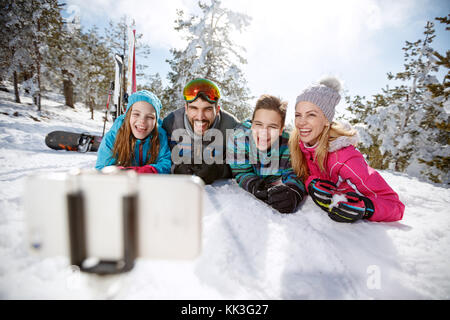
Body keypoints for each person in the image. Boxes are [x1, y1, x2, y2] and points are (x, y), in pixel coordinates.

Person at [289, 77, 405, 222]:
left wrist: (365, 207)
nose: (301, 122)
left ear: (326, 120)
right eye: (298, 115)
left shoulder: (344, 157)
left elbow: (395, 205)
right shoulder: (297, 144)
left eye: (311, 115)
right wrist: (311, 183)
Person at [227, 94, 306, 214]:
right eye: (258, 124)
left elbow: (295, 173)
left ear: (281, 130)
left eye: (272, 127)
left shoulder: (288, 145)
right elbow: (241, 171)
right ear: (252, 124)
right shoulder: (239, 137)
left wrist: (293, 192)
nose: (264, 132)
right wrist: (254, 185)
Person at [162, 78, 239, 184]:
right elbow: (159, 156)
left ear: (217, 110)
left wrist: (219, 170)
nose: (200, 117)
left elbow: (243, 165)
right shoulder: (171, 123)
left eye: (207, 109)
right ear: (186, 108)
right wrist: (175, 167)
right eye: (194, 108)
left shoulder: (231, 126)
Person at [95, 90, 171, 174]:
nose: (142, 121)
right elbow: (102, 169)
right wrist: (120, 172)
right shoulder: (114, 135)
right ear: (128, 115)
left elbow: (166, 164)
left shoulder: (160, 136)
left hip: (150, 184)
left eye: (149, 117)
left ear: (156, 120)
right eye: (136, 114)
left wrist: (149, 171)